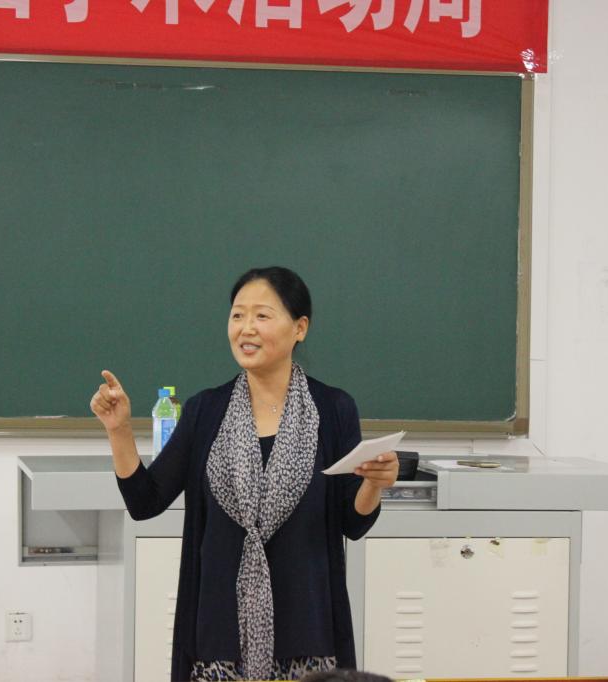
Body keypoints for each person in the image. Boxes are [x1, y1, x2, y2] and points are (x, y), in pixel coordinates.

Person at [89, 266, 399, 682]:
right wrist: (119, 430)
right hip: (218, 637)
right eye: (237, 315)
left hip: (308, 634)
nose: (246, 328)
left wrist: (373, 484)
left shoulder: (333, 409)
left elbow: (352, 521)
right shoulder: (205, 410)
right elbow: (145, 501)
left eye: (262, 315)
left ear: (300, 328)